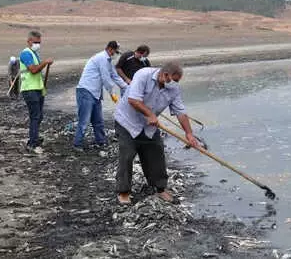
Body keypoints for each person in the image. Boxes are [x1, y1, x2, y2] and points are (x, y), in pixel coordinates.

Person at [114, 61, 198, 204]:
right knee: (127, 155)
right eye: (175, 80)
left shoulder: (174, 89)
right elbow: (133, 99)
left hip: (149, 127)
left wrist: (189, 133)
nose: (176, 83)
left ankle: (160, 189)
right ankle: (123, 192)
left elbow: (180, 111)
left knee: (156, 153)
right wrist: (150, 114)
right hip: (127, 123)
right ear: (165, 75)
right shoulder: (143, 75)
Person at [73, 41, 128, 152]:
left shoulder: (108, 61)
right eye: (115, 52)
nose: (115, 55)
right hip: (86, 91)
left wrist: (127, 88)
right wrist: (112, 93)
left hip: (96, 93)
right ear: (110, 49)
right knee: (84, 120)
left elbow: (114, 76)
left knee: (98, 120)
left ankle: (101, 141)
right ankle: (77, 144)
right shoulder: (101, 58)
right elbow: (106, 78)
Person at [19, 31, 53, 154]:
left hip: (37, 88)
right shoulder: (26, 54)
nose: (38, 44)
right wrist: (45, 62)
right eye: (35, 42)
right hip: (29, 89)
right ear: (29, 41)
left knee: (39, 116)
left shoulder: (34, 54)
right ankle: (32, 144)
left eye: (39, 42)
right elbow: (33, 70)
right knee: (35, 116)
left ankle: (34, 138)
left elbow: (38, 70)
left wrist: (43, 63)